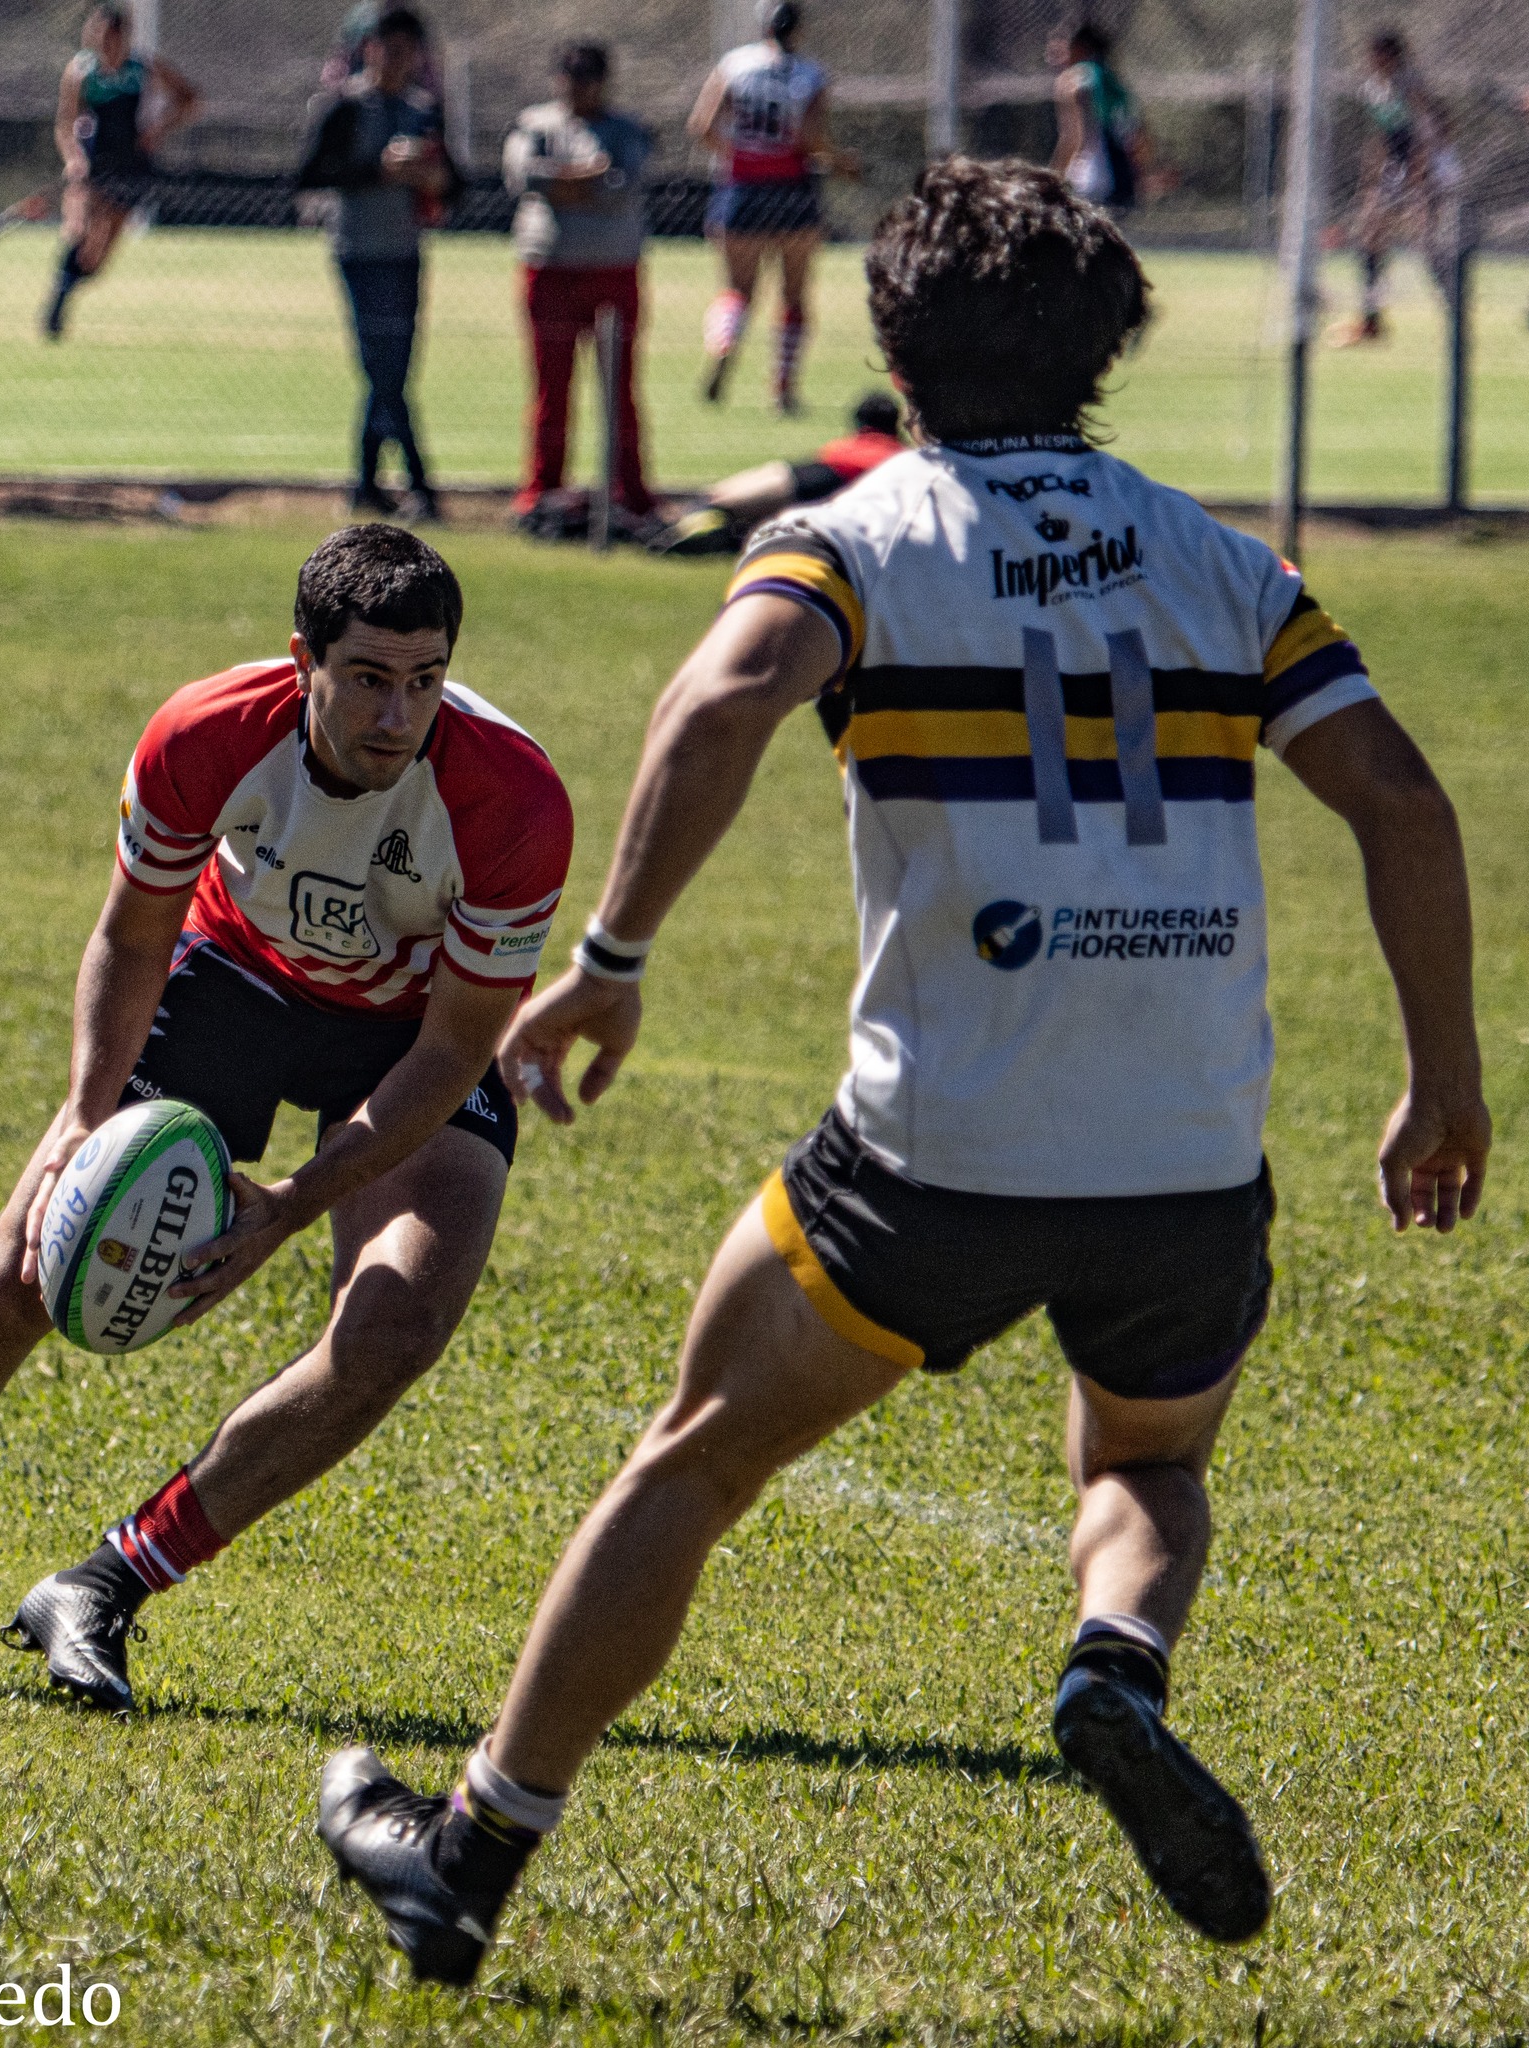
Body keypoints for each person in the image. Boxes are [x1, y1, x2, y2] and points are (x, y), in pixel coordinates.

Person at [316, 158, 1491, 1984]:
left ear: (893, 337)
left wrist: (609, 965)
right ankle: (1112, 1666)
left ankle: (469, 1848)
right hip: (1184, 1159)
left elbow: (716, 700)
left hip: (926, 1156)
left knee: (694, 1459)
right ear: (1109, 339)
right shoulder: (1224, 564)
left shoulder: (861, 539)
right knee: (1150, 1472)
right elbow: (1400, 800)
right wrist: (1442, 1082)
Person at [0, 526, 575, 1716]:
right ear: (304, 658)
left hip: (404, 1030)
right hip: (234, 980)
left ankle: (104, 1581)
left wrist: (293, 1206)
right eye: (366, 677)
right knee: (19, 1267)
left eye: (425, 679)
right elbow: (133, 935)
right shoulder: (206, 732)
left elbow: (457, 1046)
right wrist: (77, 1125)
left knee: (395, 1324)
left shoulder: (511, 798)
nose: (397, 712)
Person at [298, 8, 459, 521]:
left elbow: (457, 184)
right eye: (387, 48)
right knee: (382, 369)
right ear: (368, 50)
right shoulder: (342, 107)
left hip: (405, 251)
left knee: (392, 370)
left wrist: (432, 180)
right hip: (358, 251)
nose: (395, 60)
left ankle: (365, 483)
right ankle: (421, 485)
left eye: (406, 51)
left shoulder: (424, 109)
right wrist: (379, 171)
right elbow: (308, 173)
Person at [503, 44, 655, 525]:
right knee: (551, 387)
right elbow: (525, 178)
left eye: (588, 77)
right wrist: (583, 178)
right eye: (570, 76)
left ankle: (630, 493)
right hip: (549, 268)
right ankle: (542, 490)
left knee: (620, 390)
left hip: (613, 269)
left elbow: (622, 187)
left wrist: (564, 184)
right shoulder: (535, 124)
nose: (578, 86)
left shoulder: (626, 131)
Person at [688, 0, 850, 413]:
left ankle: (724, 345)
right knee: (793, 294)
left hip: (741, 189)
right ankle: (782, 388)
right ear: (798, 29)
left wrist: (740, 156)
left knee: (737, 290)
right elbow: (812, 138)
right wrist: (844, 162)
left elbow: (703, 126)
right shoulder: (811, 74)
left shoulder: (734, 64)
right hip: (792, 189)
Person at [42, 5, 199, 340]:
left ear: (124, 37)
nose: (105, 45)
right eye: (99, 38)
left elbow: (189, 99)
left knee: (97, 258)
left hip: (130, 167)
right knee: (80, 227)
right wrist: (73, 158)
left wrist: (156, 131)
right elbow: (64, 124)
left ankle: (69, 286)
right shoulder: (81, 71)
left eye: (112, 38)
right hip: (93, 165)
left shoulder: (142, 68)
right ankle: (57, 301)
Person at [652, 387, 902, 555]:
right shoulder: (898, 453)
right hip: (829, 480)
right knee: (738, 509)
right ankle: (687, 527)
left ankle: (672, 523)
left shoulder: (851, 444)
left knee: (722, 498)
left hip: (816, 469)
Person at [1331, 32, 1457, 348]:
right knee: (1371, 236)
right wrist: (1375, 172)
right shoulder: (1376, 88)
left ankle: (1456, 314)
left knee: (1425, 240)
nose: (1369, 61)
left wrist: (1420, 175)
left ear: (1390, 55)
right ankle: (1371, 321)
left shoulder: (1409, 85)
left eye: (1375, 54)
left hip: (1426, 165)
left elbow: (1432, 130)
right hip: (1398, 169)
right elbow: (1385, 136)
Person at [1049, 21, 1149, 215]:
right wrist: (1140, 174)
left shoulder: (1072, 79)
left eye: (1059, 46)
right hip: (1121, 177)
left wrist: (1053, 179)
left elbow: (1072, 137)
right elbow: (1137, 134)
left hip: (1088, 177)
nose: (1051, 54)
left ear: (1079, 48)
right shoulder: (1112, 80)